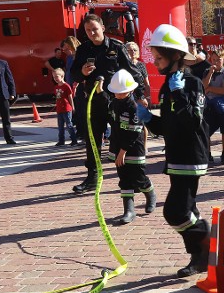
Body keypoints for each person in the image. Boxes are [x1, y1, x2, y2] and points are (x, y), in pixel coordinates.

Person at [137, 24, 210, 278]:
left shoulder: (191, 84)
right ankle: (199, 257)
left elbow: (192, 121)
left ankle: (206, 241)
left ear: (175, 55)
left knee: (175, 211)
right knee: (185, 209)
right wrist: (148, 119)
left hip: (191, 156)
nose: (155, 63)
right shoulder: (169, 85)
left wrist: (179, 94)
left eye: (159, 57)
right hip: (176, 155)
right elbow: (170, 126)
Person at [69, 14, 141, 193]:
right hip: (93, 102)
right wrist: (83, 72)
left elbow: (132, 72)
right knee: (92, 140)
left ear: (102, 27)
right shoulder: (83, 49)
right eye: (88, 30)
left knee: (121, 138)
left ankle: (134, 178)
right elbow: (74, 75)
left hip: (115, 101)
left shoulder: (116, 47)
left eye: (95, 29)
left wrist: (139, 95)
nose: (92, 33)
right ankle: (92, 178)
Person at [106, 70, 155, 225]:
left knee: (138, 177)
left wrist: (123, 152)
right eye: (116, 93)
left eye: (122, 93)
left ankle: (150, 193)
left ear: (131, 90)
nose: (119, 95)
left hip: (133, 148)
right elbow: (109, 120)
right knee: (124, 178)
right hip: (118, 146)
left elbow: (133, 133)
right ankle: (129, 210)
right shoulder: (113, 104)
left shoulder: (134, 107)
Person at [52, 68, 77, 146]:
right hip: (59, 109)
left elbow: (70, 97)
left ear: (62, 76)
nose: (55, 78)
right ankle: (61, 140)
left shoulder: (66, 86)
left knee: (69, 125)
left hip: (66, 108)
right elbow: (58, 97)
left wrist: (72, 107)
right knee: (60, 126)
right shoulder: (56, 87)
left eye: (57, 76)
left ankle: (74, 139)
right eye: (54, 77)